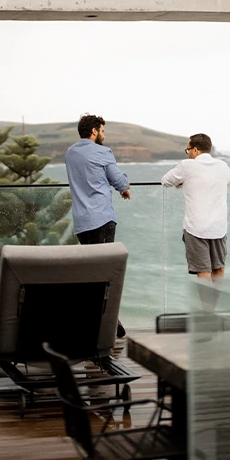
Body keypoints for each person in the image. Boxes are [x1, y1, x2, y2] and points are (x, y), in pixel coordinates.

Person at [65, 113, 131, 336]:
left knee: (90, 272)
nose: (104, 134)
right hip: (102, 220)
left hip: (82, 223)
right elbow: (119, 181)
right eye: (102, 130)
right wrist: (124, 187)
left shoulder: (70, 153)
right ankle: (106, 324)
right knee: (105, 274)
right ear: (94, 131)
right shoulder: (103, 152)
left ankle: (101, 322)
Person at [160, 133, 230, 309]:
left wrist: (183, 182)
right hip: (219, 227)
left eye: (187, 150)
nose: (187, 153)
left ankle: (207, 312)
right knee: (218, 270)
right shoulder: (222, 166)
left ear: (195, 150)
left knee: (204, 271)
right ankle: (213, 309)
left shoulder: (187, 166)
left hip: (196, 228)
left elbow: (165, 181)